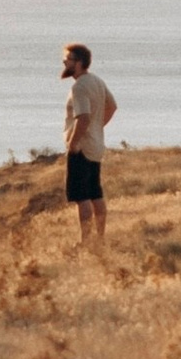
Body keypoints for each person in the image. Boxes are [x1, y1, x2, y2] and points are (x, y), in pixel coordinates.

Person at [59, 40, 117, 249]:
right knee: (95, 194)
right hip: (96, 145)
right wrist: (97, 127)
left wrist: (74, 143)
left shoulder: (80, 86)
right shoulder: (97, 81)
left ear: (80, 62)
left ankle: (86, 241)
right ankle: (100, 239)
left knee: (82, 196)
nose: (64, 63)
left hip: (82, 148)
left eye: (68, 59)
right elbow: (112, 106)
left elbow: (82, 117)